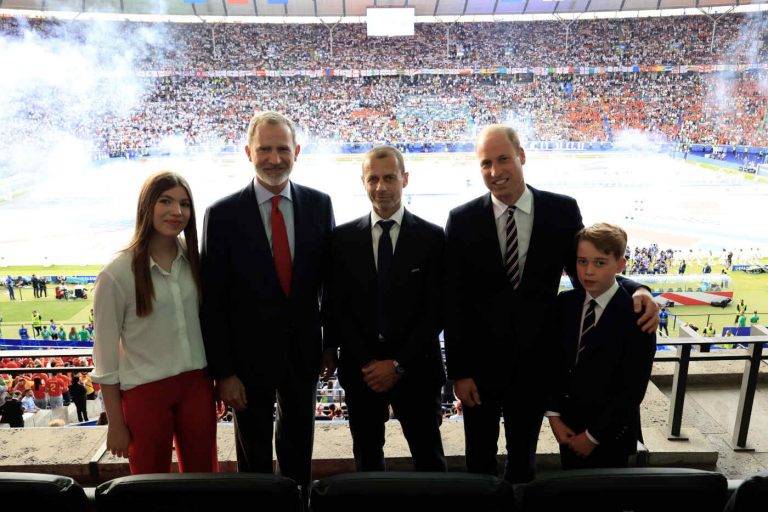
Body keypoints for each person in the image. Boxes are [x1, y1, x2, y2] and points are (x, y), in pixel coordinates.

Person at [443, 124, 659, 483]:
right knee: (477, 461)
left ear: (521, 156)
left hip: (534, 366)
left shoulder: (560, 211)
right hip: (480, 369)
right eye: (485, 164)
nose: (495, 172)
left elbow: (590, 267)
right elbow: (453, 299)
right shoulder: (462, 219)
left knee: (522, 460)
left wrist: (639, 287)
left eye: (503, 159)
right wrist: (459, 371)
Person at [200, 111, 334, 492]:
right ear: (248, 152)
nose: (274, 159)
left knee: (299, 450)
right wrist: (223, 372)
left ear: (297, 151)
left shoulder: (319, 205)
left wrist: (329, 345)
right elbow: (213, 301)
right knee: (253, 458)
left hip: (303, 354)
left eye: (282, 149)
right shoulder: (222, 215)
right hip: (246, 363)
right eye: (265, 150)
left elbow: (329, 285)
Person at [325, 146, 446, 472]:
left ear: (404, 179)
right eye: (373, 179)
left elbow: (435, 311)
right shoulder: (341, 239)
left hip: (417, 369)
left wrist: (397, 363)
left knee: (429, 459)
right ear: (363, 183)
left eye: (389, 178)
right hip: (362, 372)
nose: (381, 187)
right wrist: (368, 361)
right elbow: (337, 308)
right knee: (367, 460)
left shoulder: (433, 238)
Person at [92, 171, 217, 475]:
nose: (177, 212)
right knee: (148, 482)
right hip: (145, 393)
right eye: (166, 201)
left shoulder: (195, 261)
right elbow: (105, 358)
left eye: (184, 204)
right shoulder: (116, 274)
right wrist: (116, 424)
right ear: (147, 205)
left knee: (204, 479)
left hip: (197, 386)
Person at [547, 223, 656, 470]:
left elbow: (632, 389)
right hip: (568, 429)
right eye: (582, 261)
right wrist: (554, 415)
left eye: (599, 262)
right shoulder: (565, 304)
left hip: (610, 436)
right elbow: (552, 364)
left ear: (620, 265)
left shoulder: (637, 314)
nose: (588, 271)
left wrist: (593, 436)